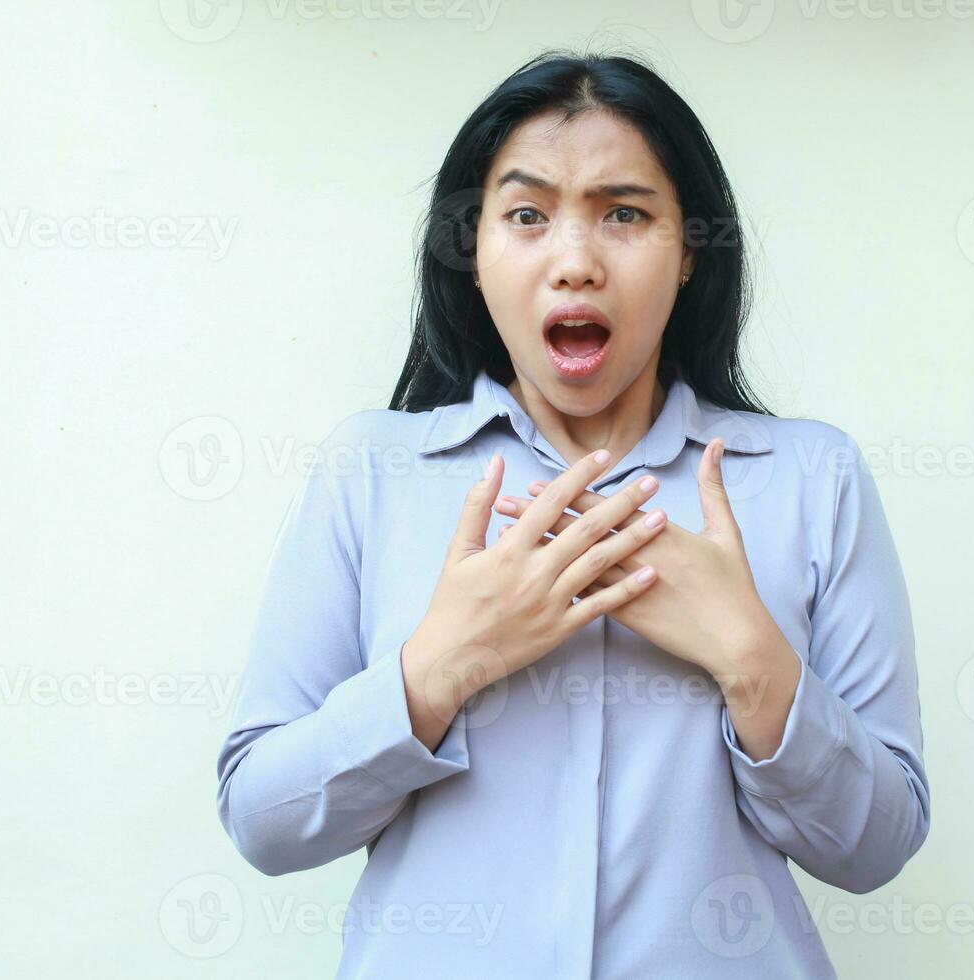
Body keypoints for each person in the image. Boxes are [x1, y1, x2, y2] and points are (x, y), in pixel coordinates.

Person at [215, 48, 930, 979]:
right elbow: (263, 822)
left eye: (625, 214)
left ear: (688, 256)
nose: (576, 262)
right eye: (526, 215)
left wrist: (755, 663)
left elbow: (878, 849)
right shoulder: (373, 471)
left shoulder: (811, 479)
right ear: (473, 254)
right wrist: (442, 664)